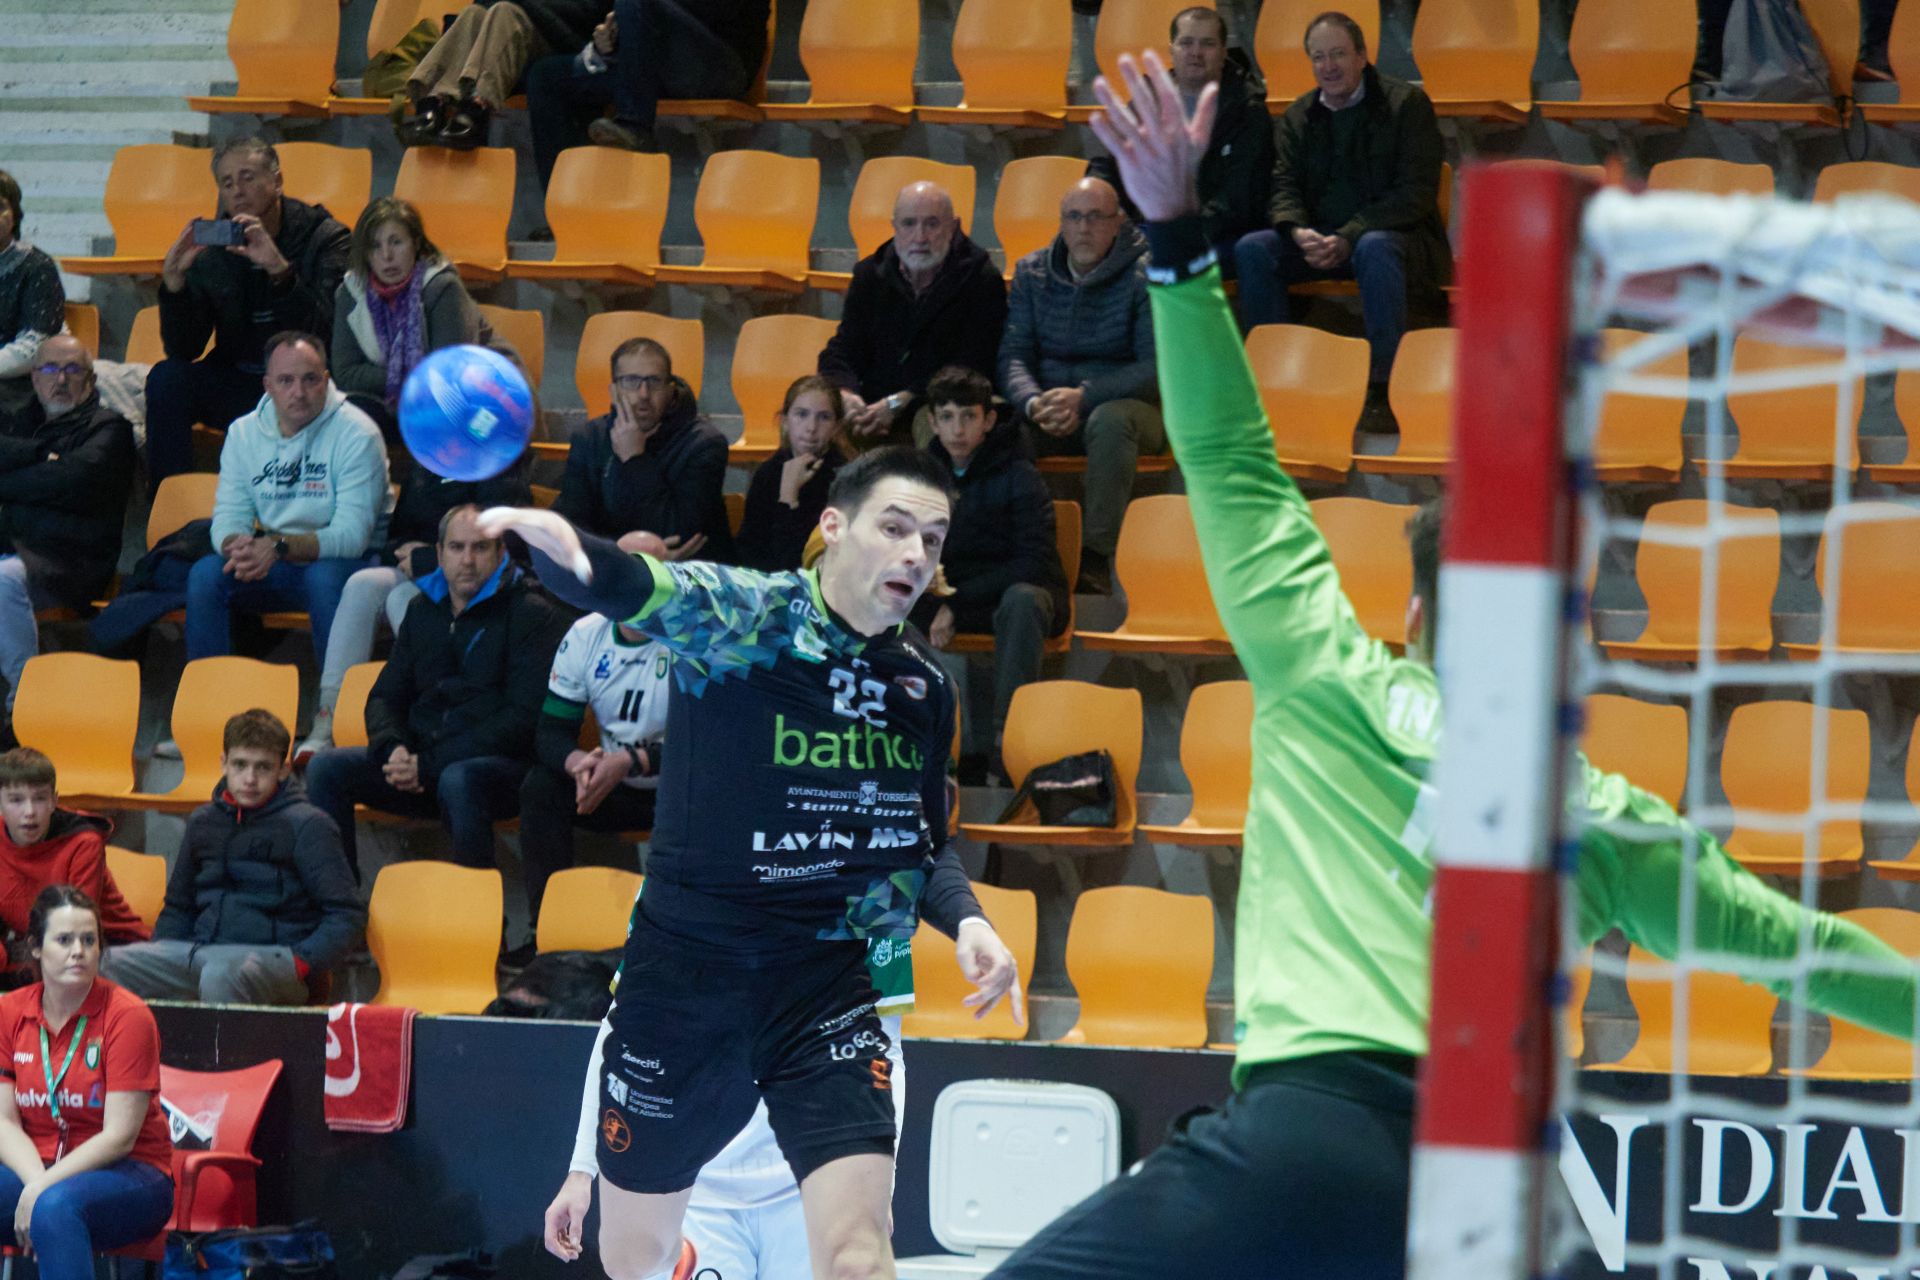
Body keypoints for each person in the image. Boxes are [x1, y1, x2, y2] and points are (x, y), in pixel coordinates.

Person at [978, 51, 1920, 1280]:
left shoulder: (1324, 665)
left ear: (1417, 600)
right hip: (1496, 1191)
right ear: (1559, 619)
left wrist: (1175, 233)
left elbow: (1228, 454)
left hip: (1306, 1143)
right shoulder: (1592, 806)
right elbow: (1798, 945)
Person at [479, 446, 1023, 1280]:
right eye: (896, 527)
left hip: (827, 987)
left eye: (935, 539)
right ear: (833, 527)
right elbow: (628, 584)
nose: (917, 553)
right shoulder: (743, 616)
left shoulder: (921, 685)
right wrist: (564, 545)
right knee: (636, 1258)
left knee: (855, 1256)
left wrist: (969, 922)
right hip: (689, 977)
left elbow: (914, 844)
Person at [544, 889, 919, 1280]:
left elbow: (884, 1048)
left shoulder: (879, 882)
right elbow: (624, 1032)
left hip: (815, 1186)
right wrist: (582, 1169)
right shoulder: (681, 871)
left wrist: (878, 1185)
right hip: (694, 1188)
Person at [305, 505, 569, 882]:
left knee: (459, 779)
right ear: (440, 553)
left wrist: (429, 763)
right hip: (423, 766)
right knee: (326, 768)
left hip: (500, 773)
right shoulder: (422, 609)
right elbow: (384, 697)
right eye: (457, 548)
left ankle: (483, 927)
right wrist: (393, 747)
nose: (467, 560)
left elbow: (521, 721)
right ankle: (340, 905)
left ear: (500, 554)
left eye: (479, 548)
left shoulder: (533, 614)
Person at [1231, 12, 1450, 429]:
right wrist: (1296, 230)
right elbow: (1283, 185)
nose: (1328, 66)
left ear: (1362, 55)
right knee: (1254, 249)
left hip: (1399, 240)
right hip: (1323, 239)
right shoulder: (1298, 115)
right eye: (1318, 57)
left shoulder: (1406, 105)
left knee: (1374, 245)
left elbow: (1415, 194)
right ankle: (1272, 382)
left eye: (1338, 55)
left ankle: (1385, 387)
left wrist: (1350, 234)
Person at [105, 711, 362, 1006]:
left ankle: (227, 1055)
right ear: (224, 763)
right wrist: (163, 956)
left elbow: (346, 915)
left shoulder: (309, 825)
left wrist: (301, 963)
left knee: (221, 974)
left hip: (275, 962)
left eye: (263, 767)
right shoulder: (203, 821)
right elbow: (179, 906)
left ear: (283, 770)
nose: (250, 779)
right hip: (201, 952)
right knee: (109, 963)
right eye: (240, 765)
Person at [295, 450, 533, 762]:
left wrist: (430, 559)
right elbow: (395, 536)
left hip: (474, 584)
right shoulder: (427, 461)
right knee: (364, 583)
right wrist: (406, 554)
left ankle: (430, 715)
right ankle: (326, 723)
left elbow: (509, 544)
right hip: (421, 573)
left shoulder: (500, 458)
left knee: (399, 599)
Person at [146, 138, 350, 491]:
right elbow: (184, 349)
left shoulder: (325, 237)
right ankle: (172, 506)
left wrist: (280, 271)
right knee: (167, 378)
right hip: (239, 379)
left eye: (248, 177)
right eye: (227, 183)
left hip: (302, 384)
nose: (237, 191)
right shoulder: (215, 249)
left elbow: (327, 333)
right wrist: (175, 286)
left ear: (278, 181)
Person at [185, 331, 393, 674]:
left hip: (352, 563)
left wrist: (277, 546)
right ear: (268, 386)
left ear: (326, 381)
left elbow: (352, 538)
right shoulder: (243, 433)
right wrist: (237, 545)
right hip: (278, 561)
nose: (298, 392)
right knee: (207, 574)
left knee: (323, 578)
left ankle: (336, 709)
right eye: (286, 381)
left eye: (310, 380)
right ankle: (211, 705)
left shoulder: (358, 434)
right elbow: (229, 514)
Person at [0, 886, 174, 1279]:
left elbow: (119, 1138)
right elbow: (4, 1122)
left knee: (56, 1208)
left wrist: (43, 1189)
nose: (78, 950)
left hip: (132, 1173)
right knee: (50, 1200)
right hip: (40, 1167)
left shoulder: (128, 1016)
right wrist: (36, 1182)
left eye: (88, 940)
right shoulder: (9, 1011)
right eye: (64, 940)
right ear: (36, 947)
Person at [998, 176, 1159, 596]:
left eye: (1095, 217)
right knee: (998, 426)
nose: (1084, 228)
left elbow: (1156, 366)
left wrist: (1085, 396)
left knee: (1110, 421)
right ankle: (1020, 551)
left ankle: (1095, 558)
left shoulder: (1148, 274)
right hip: (1050, 403)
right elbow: (1013, 354)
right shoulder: (1032, 272)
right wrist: (1033, 403)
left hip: (1132, 408)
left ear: (1118, 223)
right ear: (1061, 223)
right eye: (1074, 217)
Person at [909, 366, 1067, 777]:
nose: (958, 429)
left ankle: (1007, 737)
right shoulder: (919, 478)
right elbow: (912, 557)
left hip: (1014, 597)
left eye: (969, 416)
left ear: (989, 419)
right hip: (953, 599)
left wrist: (956, 604)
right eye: (947, 417)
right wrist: (937, 608)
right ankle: (922, 742)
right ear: (932, 422)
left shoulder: (1020, 475)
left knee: (1023, 599)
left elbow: (1032, 562)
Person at [518, 564, 671, 936]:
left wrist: (633, 761)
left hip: (681, 790)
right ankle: (548, 934)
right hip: (612, 784)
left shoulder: (698, 640)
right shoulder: (586, 635)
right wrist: (578, 763)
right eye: (633, 573)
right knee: (541, 786)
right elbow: (551, 732)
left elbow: (712, 745)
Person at [0, 337, 136, 726]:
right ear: (33, 377)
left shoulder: (110, 429)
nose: (60, 379)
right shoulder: (19, 424)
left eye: (72, 370)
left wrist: (15, 474)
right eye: (49, 369)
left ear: (90, 380)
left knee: (4, 578)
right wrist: (41, 456)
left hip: (71, 559)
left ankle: (24, 695)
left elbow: (71, 482)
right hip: (17, 546)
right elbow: (48, 477)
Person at [817, 182, 1008, 449]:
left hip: (943, 400)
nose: (920, 237)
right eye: (909, 224)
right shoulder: (869, 275)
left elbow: (974, 363)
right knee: (812, 418)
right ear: (894, 227)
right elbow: (843, 349)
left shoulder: (981, 279)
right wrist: (847, 394)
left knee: (933, 422)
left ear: (953, 227)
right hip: (875, 404)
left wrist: (902, 400)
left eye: (932, 224)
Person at [1088, 7, 1274, 273]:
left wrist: (1178, 229)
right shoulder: (1148, 99)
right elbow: (1110, 166)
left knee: (1149, 263)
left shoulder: (1248, 109)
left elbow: (1241, 197)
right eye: (1186, 42)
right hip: (1149, 226)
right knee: (1081, 245)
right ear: (1172, 49)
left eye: (1207, 44)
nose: (1195, 52)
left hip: (1218, 234)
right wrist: (1096, 202)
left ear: (1223, 52)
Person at [525, 1, 772, 185]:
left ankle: (635, 125)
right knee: (547, 76)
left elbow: (722, 11)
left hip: (719, 68)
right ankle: (566, 216)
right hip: (650, 70)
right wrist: (608, 38)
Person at [552, 336, 734, 562]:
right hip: (610, 568)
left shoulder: (704, 444)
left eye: (654, 382)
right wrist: (624, 552)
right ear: (614, 390)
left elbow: (680, 535)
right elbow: (572, 524)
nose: (643, 394)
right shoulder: (589, 438)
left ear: (670, 389)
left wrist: (635, 461)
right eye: (631, 381)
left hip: (685, 576)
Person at [330, 197, 495, 440]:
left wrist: (388, 376)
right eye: (375, 246)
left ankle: (427, 478)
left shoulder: (442, 288)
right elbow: (345, 372)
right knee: (346, 416)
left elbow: (448, 374)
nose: (386, 255)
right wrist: (403, 376)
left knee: (437, 415)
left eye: (396, 242)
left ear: (416, 243)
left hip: (459, 400)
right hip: (389, 401)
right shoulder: (351, 292)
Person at [0, 750, 149, 980]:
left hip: (110, 946)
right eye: (16, 800)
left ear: (54, 801)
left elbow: (77, 926)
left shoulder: (84, 843)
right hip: (39, 950)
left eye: (39, 799)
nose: (29, 812)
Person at [402, 0, 604, 149]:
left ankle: (478, 104)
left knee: (506, 10)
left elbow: (589, 17)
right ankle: (435, 99)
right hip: (511, 41)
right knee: (474, 13)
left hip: (572, 48)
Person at [734, 376, 847, 573]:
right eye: (801, 414)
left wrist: (789, 497)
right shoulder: (768, 472)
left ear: (837, 427)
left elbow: (797, 560)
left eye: (824, 417)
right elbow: (750, 550)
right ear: (785, 421)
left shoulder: (845, 477)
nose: (811, 428)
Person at [0, 171, 64, 424]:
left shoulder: (36, 266)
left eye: (1, 206)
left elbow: (36, 348)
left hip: (25, 382)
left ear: (14, 216)